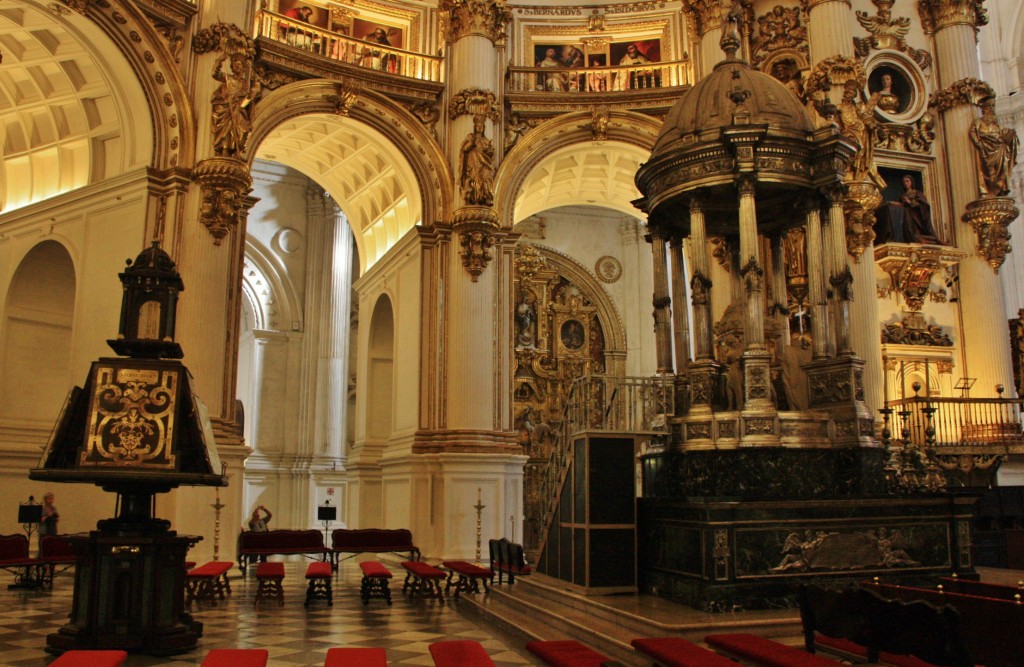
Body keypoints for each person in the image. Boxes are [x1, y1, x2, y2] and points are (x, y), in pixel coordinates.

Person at [970, 97, 1020, 197]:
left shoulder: (996, 125)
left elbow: (1003, 133)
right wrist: (981, 144)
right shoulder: (978, 122)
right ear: (983, 109)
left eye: (993, 106)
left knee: (1004, 163)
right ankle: (990, 190)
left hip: (1000, 152)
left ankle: (1002, 188)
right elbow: (973, 134)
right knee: (989, 172)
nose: (991, 109)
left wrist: (1010, 135)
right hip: (986, 151)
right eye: (989, 106)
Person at [459, 116, 495, 205]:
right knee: (472, 179)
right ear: (475, 127)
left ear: (483, 128)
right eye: (478, 125)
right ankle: (473, 197)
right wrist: (471, 143)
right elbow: (464, 150)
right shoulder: (471, 137)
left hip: (484, 163)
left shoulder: (486, 140)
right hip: (472, 162)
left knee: (484, 179)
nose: (479, 127)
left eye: (481, 126)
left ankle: (484, 196)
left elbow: (490, 155)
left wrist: (490, 151)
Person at [893, 174, 940, 243]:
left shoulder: (917, 193)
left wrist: (910, 202)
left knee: (915, 230)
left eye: (907, 181)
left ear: (911, 182)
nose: (906, 183)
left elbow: (924, 204)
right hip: (905, 215)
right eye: (904, 182)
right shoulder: (902, 196)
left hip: (915, 215)